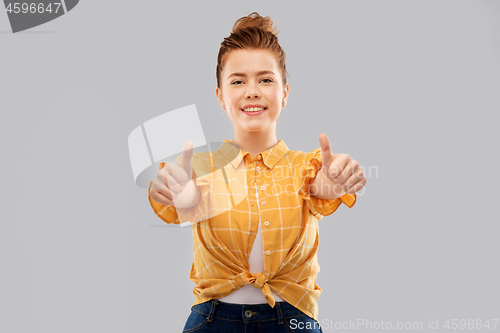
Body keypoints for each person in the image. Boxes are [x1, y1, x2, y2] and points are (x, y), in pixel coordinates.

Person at [148, 12, 367, 333]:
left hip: (291, 322)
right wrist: (178, 192)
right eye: (238, 81)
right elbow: (189, 195)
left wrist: (333, 183)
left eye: (265, 79)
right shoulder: (200, 168)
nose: (252, 91)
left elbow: (320, 189)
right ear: (221, 96)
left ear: (285, 92)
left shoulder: (307, 166)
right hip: (212, 323)